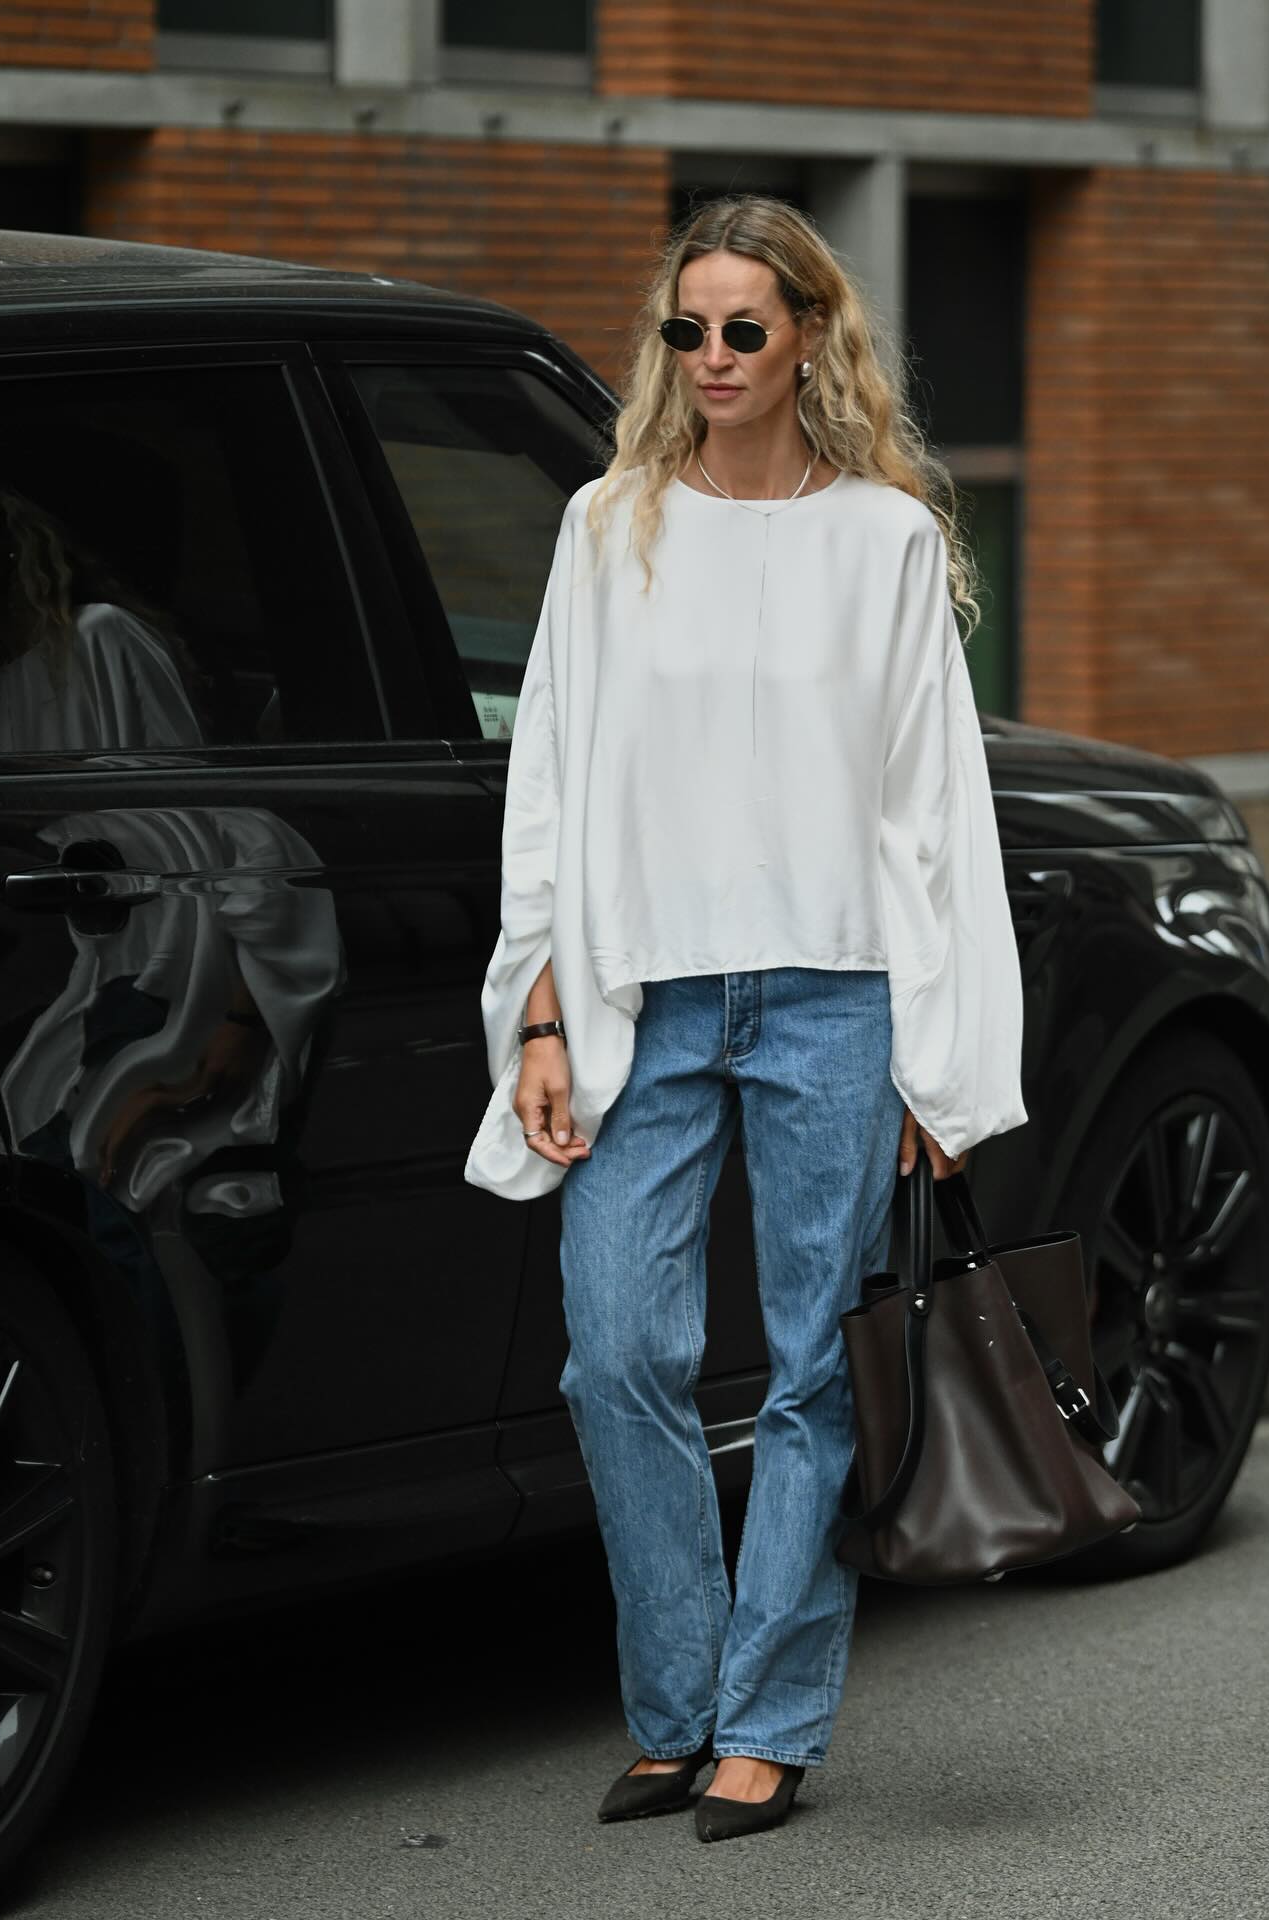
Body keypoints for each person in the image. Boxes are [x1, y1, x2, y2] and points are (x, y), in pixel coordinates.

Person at [463, 194, 1028, 1842]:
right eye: (685, 330)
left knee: (810, 1369)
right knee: (614, 1354)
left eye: (741, 329)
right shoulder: (606, 524)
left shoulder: (888, 541)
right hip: (645, 986)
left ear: (806, 342)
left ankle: (766, 1719)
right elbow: (548, 783)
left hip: (836, 996)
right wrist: (544, 1011)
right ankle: (678, 1700)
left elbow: (939, 812)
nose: (709, 357)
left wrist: (946, 1056)